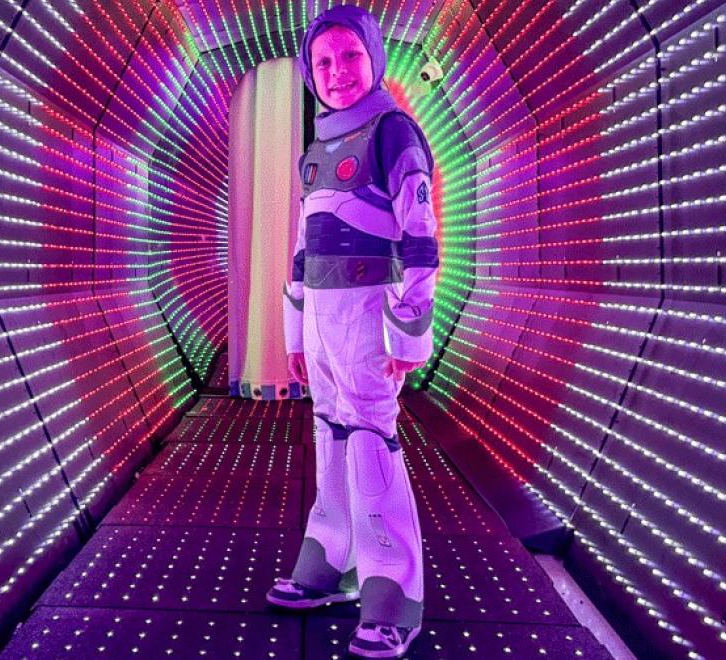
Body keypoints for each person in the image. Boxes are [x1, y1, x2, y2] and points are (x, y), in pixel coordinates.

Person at [264, 4, 440, 658]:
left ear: (374, 57)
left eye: (351, 57)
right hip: (324, 316)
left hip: (370, 311)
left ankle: (392, 593)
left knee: (369, 439)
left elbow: (421, 237)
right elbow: (304, 246)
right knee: (330, 433)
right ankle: (330, 561)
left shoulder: (394, 132)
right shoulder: (318, 144)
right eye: (324, 62)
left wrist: (408, 334)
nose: (338, 72)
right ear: (311, 73)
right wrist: (295, 329)